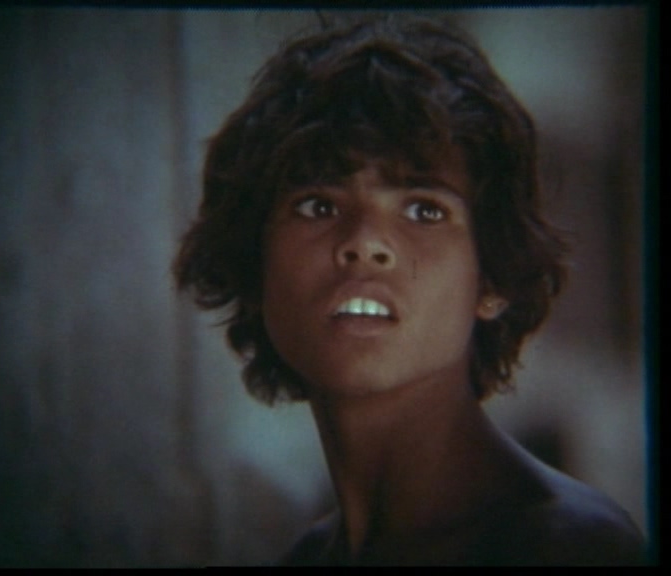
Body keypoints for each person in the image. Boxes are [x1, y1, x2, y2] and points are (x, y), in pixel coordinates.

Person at [172, 14, 647, 566]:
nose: (364, 242)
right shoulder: (307, 558)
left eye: (424, 210)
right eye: (318, 205)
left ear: (491, 278)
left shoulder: (564, 546)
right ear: (255, 267)